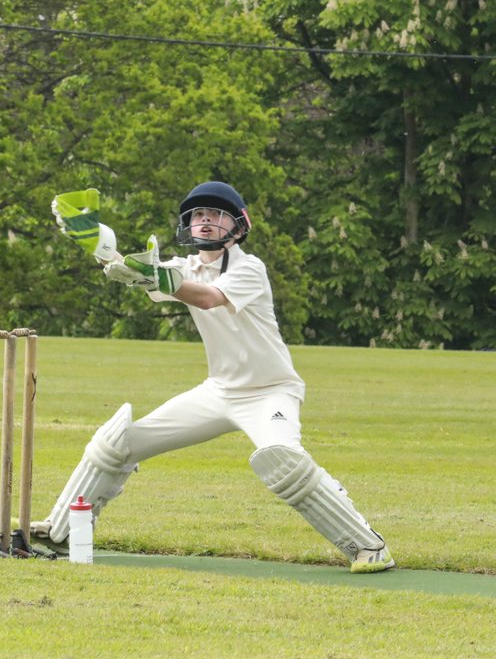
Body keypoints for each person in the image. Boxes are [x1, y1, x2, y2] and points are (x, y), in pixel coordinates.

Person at [33, 181, 395, 573]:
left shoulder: (249, 268)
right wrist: (101, 247)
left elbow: (206, 297)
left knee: (282, 460)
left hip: (270, 392)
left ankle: (368, 546)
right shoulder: (184, 267)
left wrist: (150, 275)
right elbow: (145, 273)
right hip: (219, 392)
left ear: (238, 225)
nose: (205, 221)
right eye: (198, 215)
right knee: (117, 443)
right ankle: (64, 531)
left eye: (215, 214)